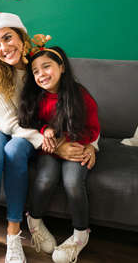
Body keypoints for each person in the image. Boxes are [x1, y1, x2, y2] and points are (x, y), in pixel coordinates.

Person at [0, 12, 48, 263]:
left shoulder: (40, 66)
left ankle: (14, 235)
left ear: (21, 37)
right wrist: (39, 140)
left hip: (26, 129)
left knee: (14, 153)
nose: (4, 48)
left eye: (8, 38)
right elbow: (8, 121)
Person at [18, 35, 100, 263]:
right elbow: (30, 123)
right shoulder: (35, 97)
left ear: (62, 67)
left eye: (47, 67)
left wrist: (81, 145)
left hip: (77, 146)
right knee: (45, 179)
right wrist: (45, 129)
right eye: (35, 71)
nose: (41, 74)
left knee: (73, 182)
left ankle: (80, 235)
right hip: (49, 150)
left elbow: (93, 128)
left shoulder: (79, 95)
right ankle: (34, 221)